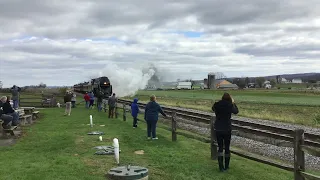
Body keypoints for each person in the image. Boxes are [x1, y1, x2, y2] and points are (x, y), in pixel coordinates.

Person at [212, 92, 239, 172]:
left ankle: (221, 167)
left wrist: (218, 102)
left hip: (218, 128)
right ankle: (226, 166)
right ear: (229, 99)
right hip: (227, 129)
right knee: (227, 148)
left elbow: (213, 108)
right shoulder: (230, 105)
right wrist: (233, 102)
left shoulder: (217, 104)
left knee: (220, 147)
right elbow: (236, 111)